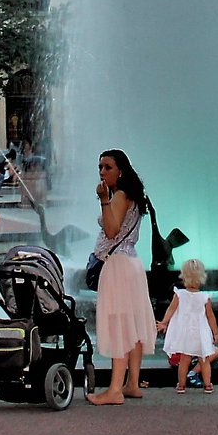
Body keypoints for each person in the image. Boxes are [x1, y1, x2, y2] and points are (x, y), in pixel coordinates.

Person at [88, 148, 158, 405]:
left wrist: (103, 200)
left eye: (107, 167)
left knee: (119, 323)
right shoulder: (135, 196)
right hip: (132, 264)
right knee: (133, 323)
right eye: (100, 167)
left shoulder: (118, 196)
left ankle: (115, 389)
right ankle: (132, 383)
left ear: (121, 170)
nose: (102, 172)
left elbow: (111, 230)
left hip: (117, 266)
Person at [157, 257, 218, 394]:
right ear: (202, 277)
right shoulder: (205, 297)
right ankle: (208, 385)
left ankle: (181, 385)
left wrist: (164, 322)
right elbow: (210, 317)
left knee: (184, 359)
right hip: (200, 332)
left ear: (183, 276)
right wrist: (215, 333)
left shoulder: (179, 295)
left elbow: (171, 309)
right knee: (203, 359)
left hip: (186, 333)